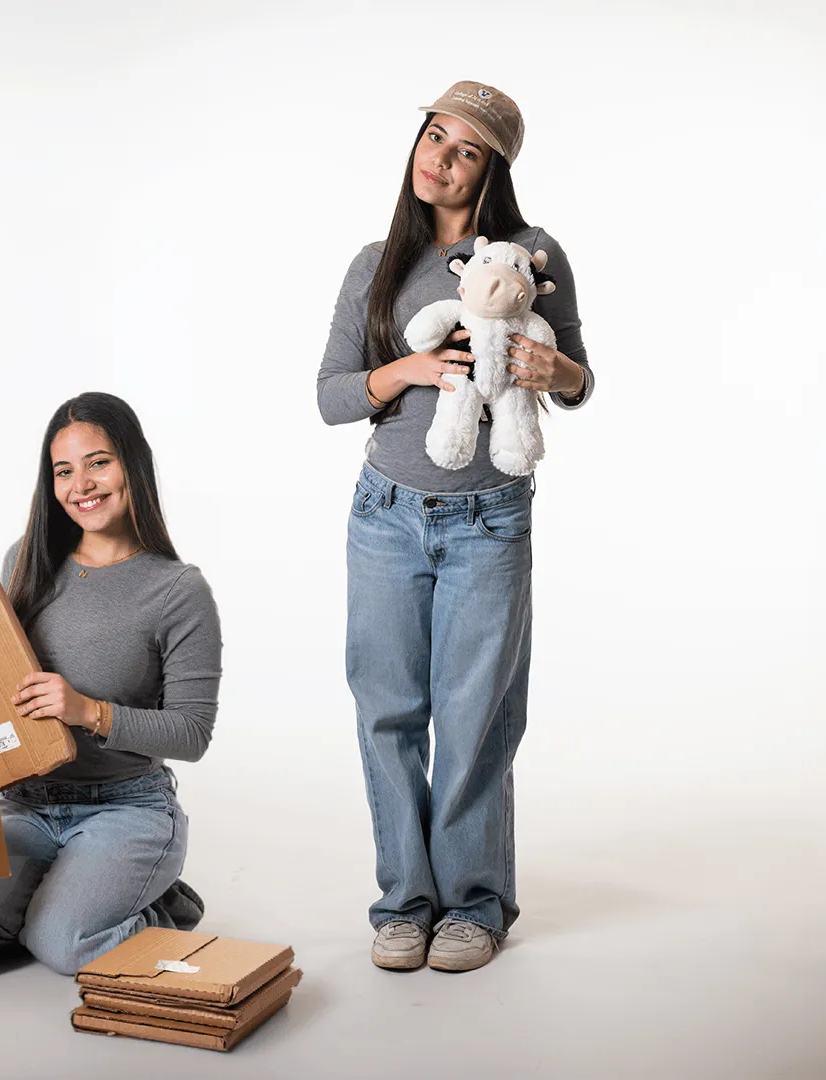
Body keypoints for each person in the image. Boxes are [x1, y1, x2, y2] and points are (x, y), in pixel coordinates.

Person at [316, 82, 590, 972]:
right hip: (385, 516)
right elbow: (330, 397)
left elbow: (584, 378)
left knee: (475, 718)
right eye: (434, 136)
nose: (440, 157)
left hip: (490, 520)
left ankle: (473, 905)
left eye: (465, 148)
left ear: (493, 168)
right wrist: (411, 369)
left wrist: (561, 372)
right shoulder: (376, 264)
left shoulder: (534, 254)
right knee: (388, 712)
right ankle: (405, 902)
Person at [0, 392, 219, 975]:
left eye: (99, 462)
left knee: (62, 943)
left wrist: (87, 711)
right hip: (27, 801)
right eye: (64, 471)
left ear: (133, 464)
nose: (82, 485)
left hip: (126, 807)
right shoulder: (24, 562)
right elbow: (1, 691)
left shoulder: (179, 590)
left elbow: (193, 734)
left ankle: (158, 907)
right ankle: (80, 888)